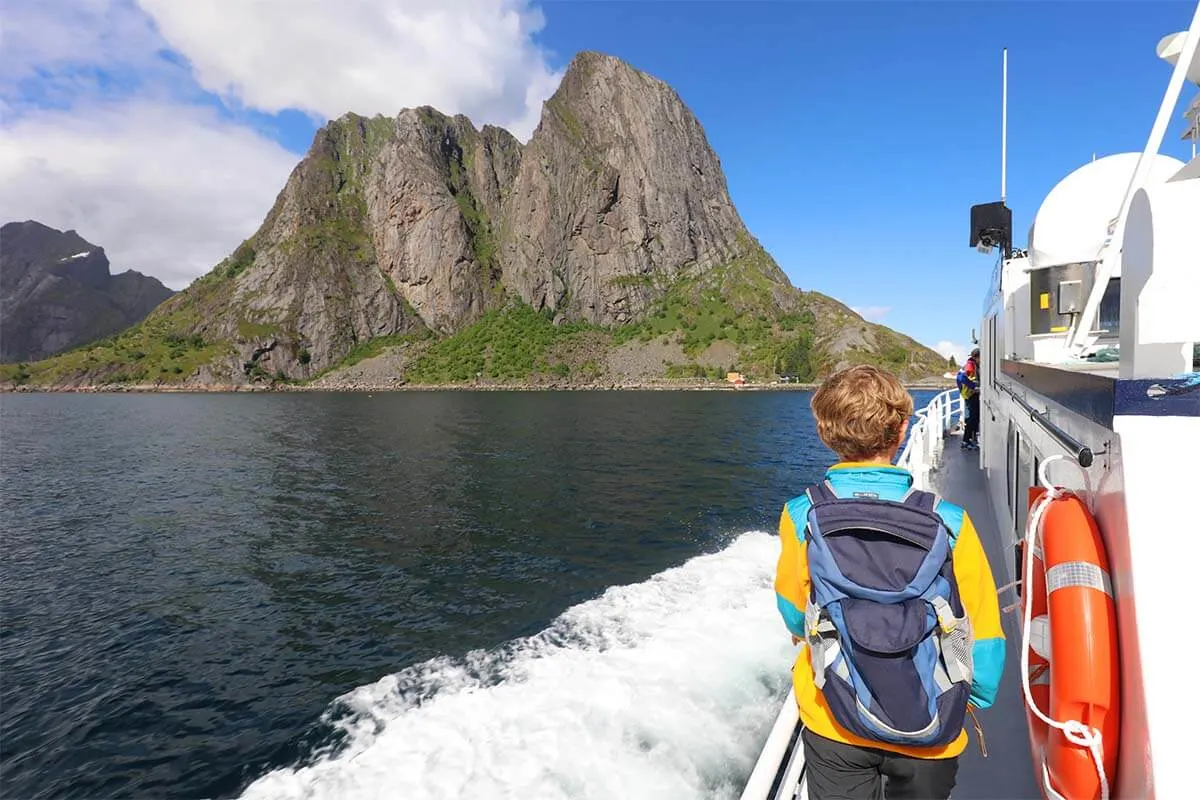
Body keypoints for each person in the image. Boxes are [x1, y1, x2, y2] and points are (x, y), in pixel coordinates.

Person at [774, 365, 1004, 800]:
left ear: (825, 433)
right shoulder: (949, 520)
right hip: (930, 723)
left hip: (833, 716)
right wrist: (973, 698)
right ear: (901, 431)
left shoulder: (799, 514)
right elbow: (983, 629)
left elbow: (791, 607)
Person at [956, 349, 981, 449]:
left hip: (972, 394)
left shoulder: (973, 364)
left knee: (975, 417)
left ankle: (971, 438)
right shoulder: (970, 365)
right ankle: (966, 441)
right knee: (973, 417)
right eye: (981, 357)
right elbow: (961, 377)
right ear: (976, 357)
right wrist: (973, 386)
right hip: (971, 395)